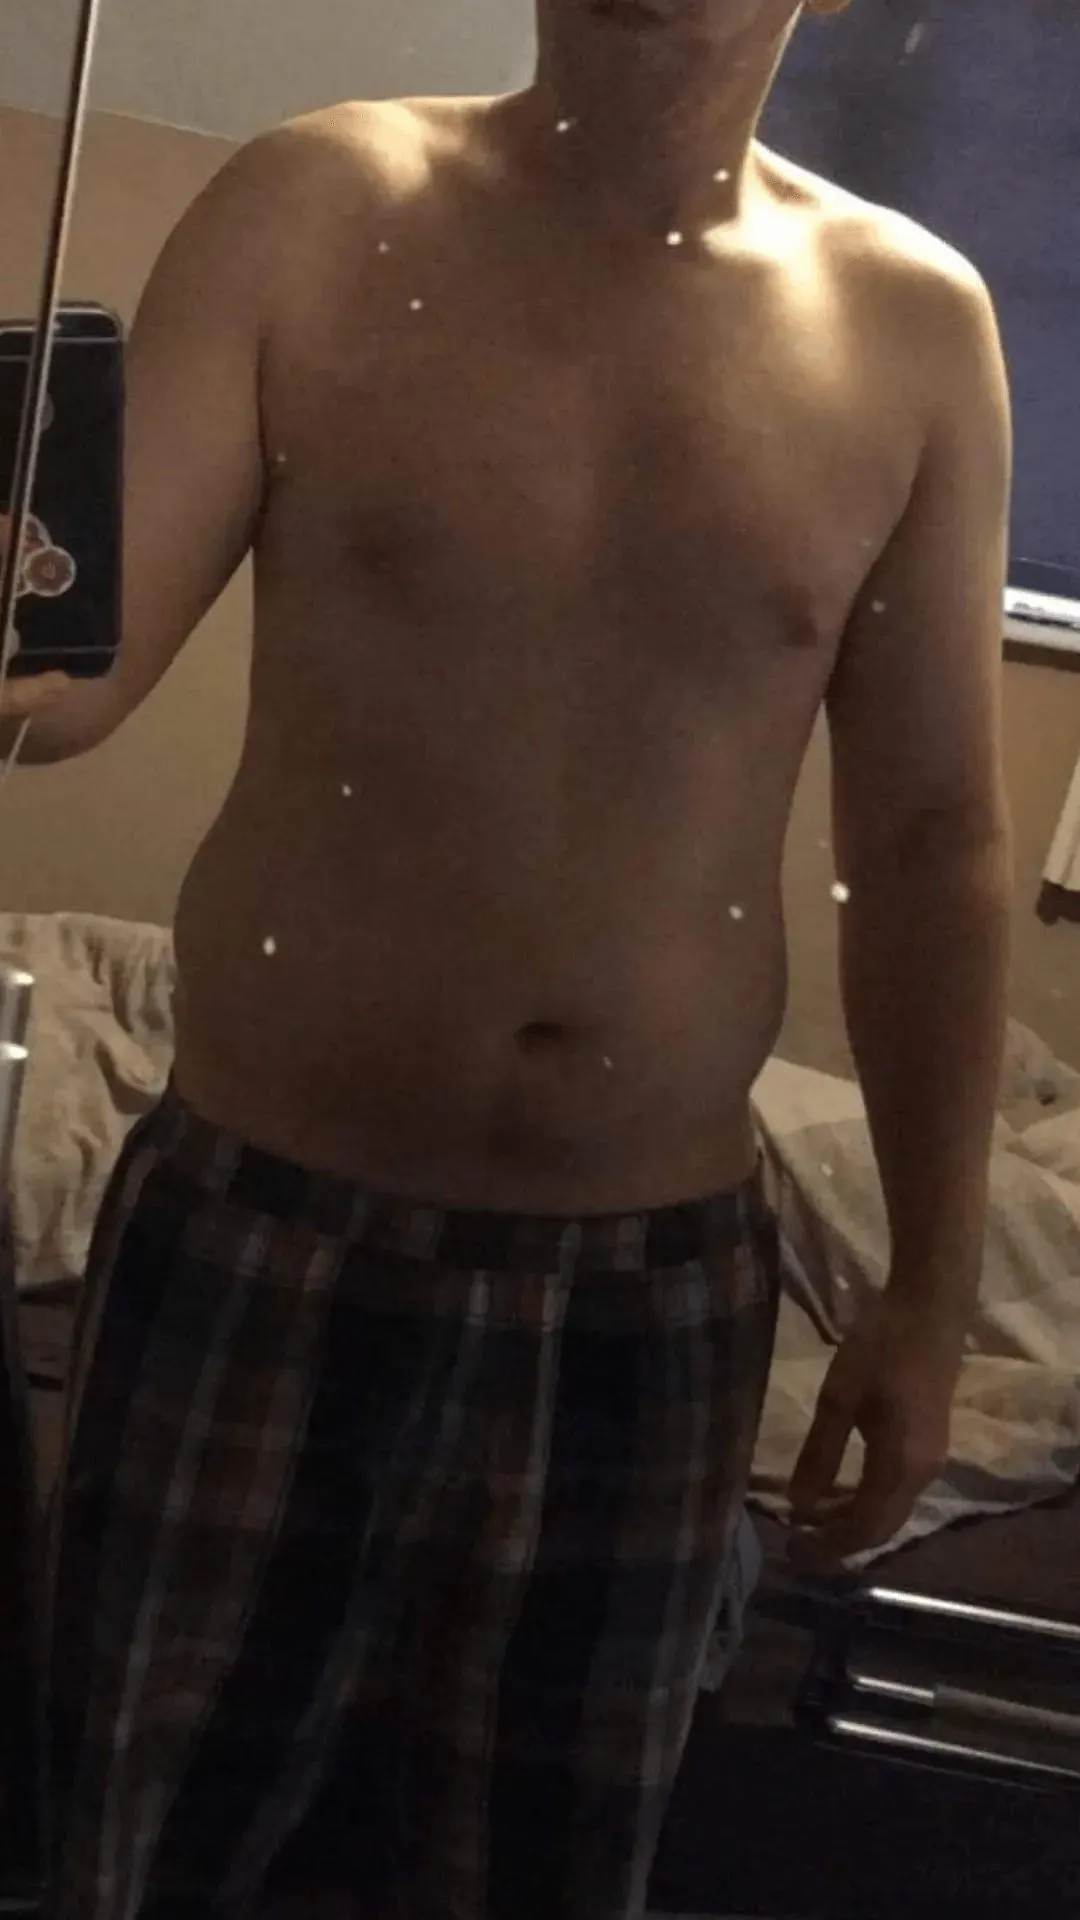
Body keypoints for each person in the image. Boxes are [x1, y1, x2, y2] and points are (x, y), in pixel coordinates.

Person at [2, 0, 1013, 1913]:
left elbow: (935, 847)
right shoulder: (318, 203)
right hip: (258, 1238)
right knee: (130, 1858)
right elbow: (66, 673)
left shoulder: (912, 325)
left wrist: (929, 1296)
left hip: (649, 1299)